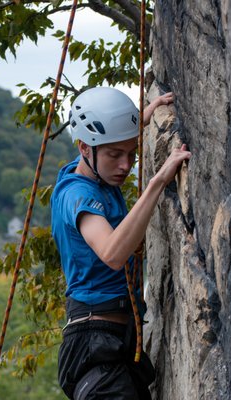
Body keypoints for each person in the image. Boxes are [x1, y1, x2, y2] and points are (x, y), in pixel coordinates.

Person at [51, 87, 190, 400]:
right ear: (85, 148)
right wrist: (157, 182)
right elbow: (112, 253)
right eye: (116, 156)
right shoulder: (78, 196)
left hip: (114, 340)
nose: (125, 166)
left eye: (132, 153)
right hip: (95, 344)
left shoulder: (93, 165)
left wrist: (149, 110)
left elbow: (115, 140)